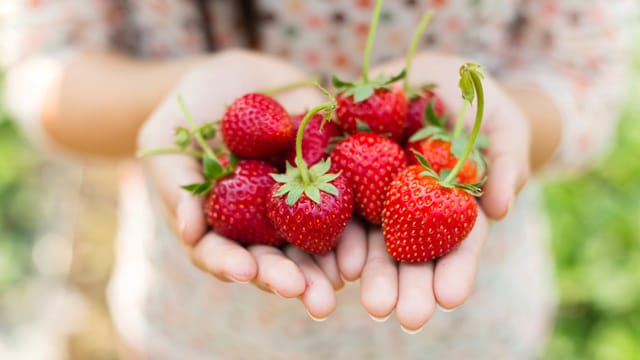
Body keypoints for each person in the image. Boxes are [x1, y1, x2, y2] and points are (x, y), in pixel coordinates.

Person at [2, 0, 637, 358]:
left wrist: (505, 122)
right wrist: (177, 96)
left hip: (462, 332)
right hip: (207, 329)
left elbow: (586, 80)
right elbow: (43, 67)